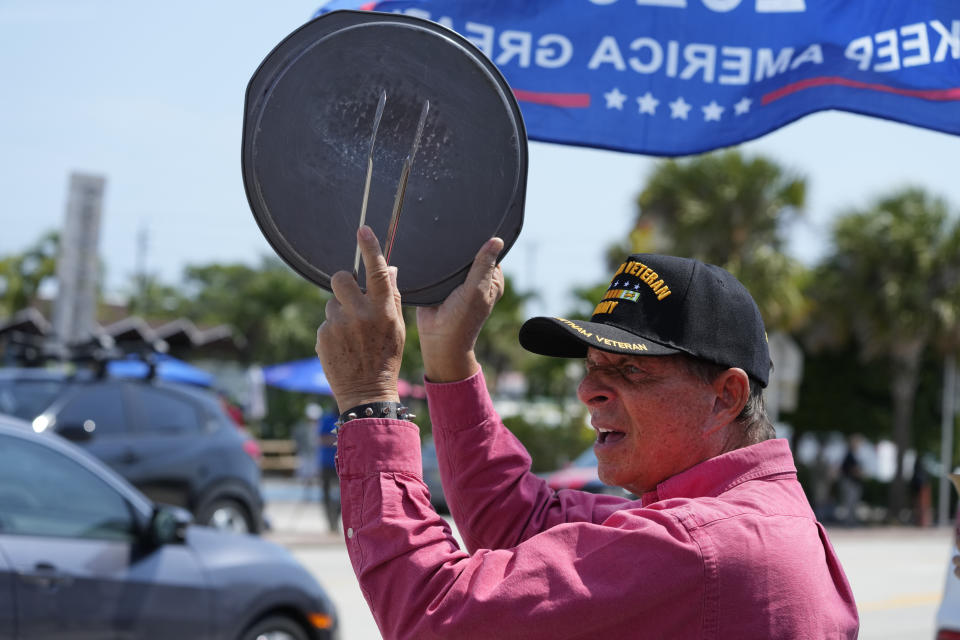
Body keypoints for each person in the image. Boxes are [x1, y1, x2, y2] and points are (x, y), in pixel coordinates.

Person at [315, 226, 859, 639]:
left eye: (629, 370)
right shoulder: (742, 518)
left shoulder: (703, 544)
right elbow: (521, 522)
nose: (589, 392)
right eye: (592, 367)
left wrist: (369, 399)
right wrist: (449, 358)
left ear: (727, 396)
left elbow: (436, 615)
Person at [316, 407, 341, 532]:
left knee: (344, 494)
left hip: (342, 463)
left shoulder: (346, 418)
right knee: (326, 494)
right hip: (327, 462)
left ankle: (335, 518)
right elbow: (321, 439)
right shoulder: (327, 419)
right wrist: (341, 439)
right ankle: (331, 523)